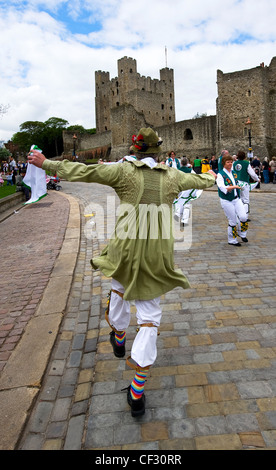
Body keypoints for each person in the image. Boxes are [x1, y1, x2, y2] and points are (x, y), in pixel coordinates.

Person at [28, 127, 216, 417]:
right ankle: (137, 391)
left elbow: (84, 172)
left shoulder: (123, 171)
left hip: (125, 248)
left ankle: (118, 333)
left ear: (135, 148)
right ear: (159, 150)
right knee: (150, 316)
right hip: (157, 252)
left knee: (118, 287)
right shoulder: (173, 176)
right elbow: (198, 179)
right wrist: (211, 176)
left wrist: (47, 164)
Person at [217, 154, 248, 246]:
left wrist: (241, 187)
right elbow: (223, 188)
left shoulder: (234, 173)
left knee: (243, 217)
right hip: (226, 200)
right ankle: (232, 240)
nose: (230, 164)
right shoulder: (220, 175)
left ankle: (242, 233)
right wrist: (234, 186)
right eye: (228, 162)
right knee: (233, 221)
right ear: (224, 163)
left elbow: (237, 183)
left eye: (231, 162)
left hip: (236, 199)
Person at [174, 157, 202, 225]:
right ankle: (184, 220)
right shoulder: (191, 171)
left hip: (180, 188)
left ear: (181, 163)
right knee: (187, 204)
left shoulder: (177, 170)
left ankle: (177, 216)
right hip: (188, 189)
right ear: (187, 163)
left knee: (178, 202)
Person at [233, 150, 260, 217]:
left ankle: (238, 214)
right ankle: (245, 216)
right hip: (244, 182)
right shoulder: (246, 163)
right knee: (245, 200)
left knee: (238, 199)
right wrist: (257, 179)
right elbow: (252, 174)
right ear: (244, 156)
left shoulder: (234, 163)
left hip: (236, 183)